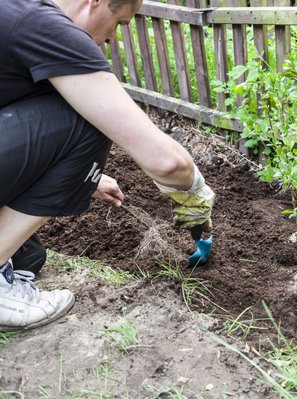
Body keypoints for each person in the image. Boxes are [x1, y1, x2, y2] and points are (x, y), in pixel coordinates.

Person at [0, 0, 214, 331]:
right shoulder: (48, 27)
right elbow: (168, 163)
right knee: (85, 119)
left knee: (28, 256)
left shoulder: (18, 10)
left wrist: (83, 177)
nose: (109, 39)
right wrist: (196, 194)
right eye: (118, 23)